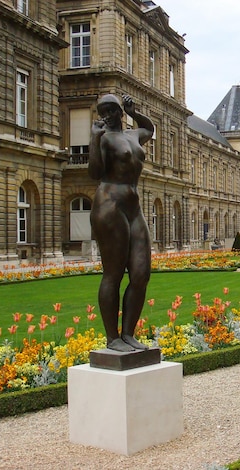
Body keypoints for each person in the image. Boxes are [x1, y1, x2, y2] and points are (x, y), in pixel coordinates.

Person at [88, 94, 154, 352]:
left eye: (113, 110)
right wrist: (93, 139)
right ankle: (112, 338)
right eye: (104, 111)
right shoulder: (103, 138)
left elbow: (149, 128)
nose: (109, 115)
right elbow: (94, 172)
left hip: (133, 207)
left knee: (141, 273)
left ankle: (128, 334)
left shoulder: (133, 135)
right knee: (113, 274)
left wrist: (134, 112)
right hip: (109, 204)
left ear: (120, 111)